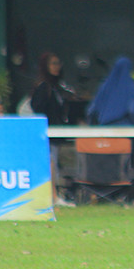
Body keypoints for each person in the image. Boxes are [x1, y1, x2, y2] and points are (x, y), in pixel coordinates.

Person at [86, 56, 134, 203]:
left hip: (106, 134)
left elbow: (92, 110)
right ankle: (133, 196)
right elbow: (131, 109)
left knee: (109, 165)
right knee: (131, 165)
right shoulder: (129, 86)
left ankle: (107, 196)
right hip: (127, 134)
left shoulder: (105, 85)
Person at [30, 52, 78, 207]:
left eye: (58, 63)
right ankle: (52, 197)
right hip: (46, 132)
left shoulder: (58, 86)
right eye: (53, 63)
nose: (57, 67)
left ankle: (54, 196)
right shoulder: (43, 86)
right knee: (50, 163)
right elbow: (36, 107)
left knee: (54, 163)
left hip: (56, 132)